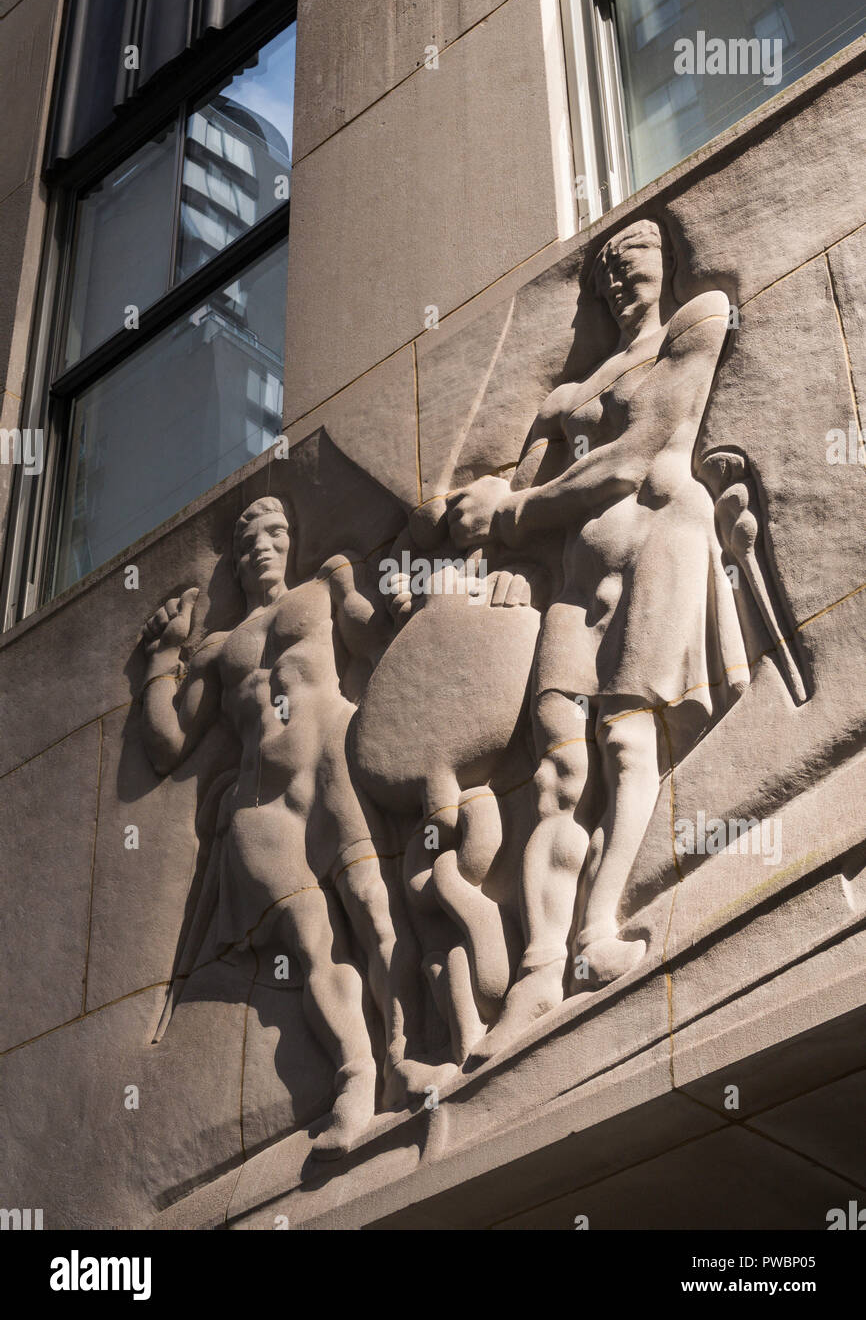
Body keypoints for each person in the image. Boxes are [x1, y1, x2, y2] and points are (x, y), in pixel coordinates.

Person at [448, 220, 749, 1058]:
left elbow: (642, 448)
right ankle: (540, 969)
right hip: (576, 587)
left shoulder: (700, 320)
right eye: (606, 268)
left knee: (625, 744)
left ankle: (597, 930)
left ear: (669, 262)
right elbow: (510, 504)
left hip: (661, 544)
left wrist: (509, 513)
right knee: (558, 771)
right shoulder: (561, 399)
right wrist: (500, 538)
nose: (620, 276)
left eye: (635, 258)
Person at [140, 496, 429, 1154]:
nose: (263, 547)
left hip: (331, 766)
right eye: (249, 541)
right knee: (311, 945)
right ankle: (357, 1080)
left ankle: (409, 1053)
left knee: (372, 906)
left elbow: (374, 637)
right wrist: (164, 657)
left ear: (291, 540)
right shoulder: (219, 649)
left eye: (275, 533)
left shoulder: (323, 587)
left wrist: (402, 600)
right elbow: (168, 744)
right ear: (238, 561)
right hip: (258, 806)